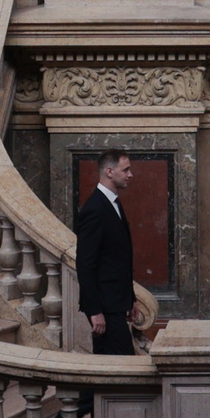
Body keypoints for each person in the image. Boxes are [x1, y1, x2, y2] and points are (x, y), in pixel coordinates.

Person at [74, 150, 137, 354]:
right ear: (110, 171)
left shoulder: (113, 203)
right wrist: (95, 311)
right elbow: (85, 264)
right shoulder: (95, 208)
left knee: (109, 363)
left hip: (117, 303)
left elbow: (118, 260)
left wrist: (130, 299)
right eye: (125, 169)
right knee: (120, 365)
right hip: (104, 306)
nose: (130, 174)